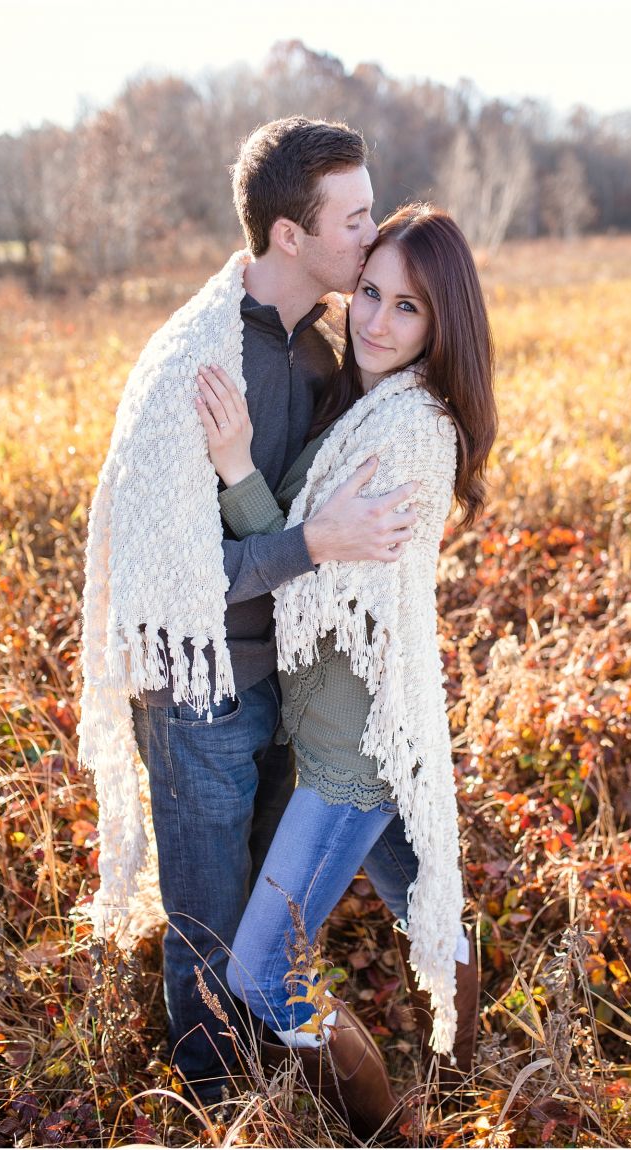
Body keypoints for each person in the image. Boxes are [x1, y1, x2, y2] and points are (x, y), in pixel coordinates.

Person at [77, 117, 422, 1104]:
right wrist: (315, 543)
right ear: (288, 235)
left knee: (272, 923)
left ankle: (286, 1078)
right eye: (353, 218)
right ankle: (217, 1105)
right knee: (208, 927)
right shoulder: (195, 363)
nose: (372, 230)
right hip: (200, 698)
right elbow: (172, 579)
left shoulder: (320, 357)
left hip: (289, 683)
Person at [194, 202, 498, 1134]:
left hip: (350, 760)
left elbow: (301, 571)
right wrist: (253, 476)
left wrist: (267, 505)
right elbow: (305, 546)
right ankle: (463, 1087)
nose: (373, 320)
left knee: (259, 974)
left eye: (407, 309)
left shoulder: (410, 431)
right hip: (378, 727)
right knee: (429, 916)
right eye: (369, 291)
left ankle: (389, 1131)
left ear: (442, 327)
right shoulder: (364, 408)